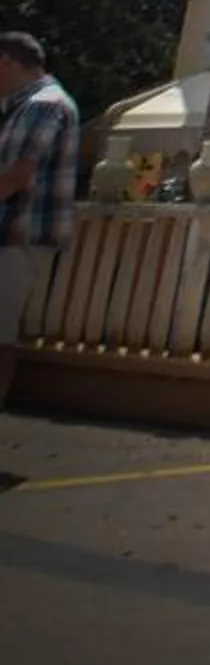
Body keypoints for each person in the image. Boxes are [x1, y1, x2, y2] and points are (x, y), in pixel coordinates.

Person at [0, 31, 83, 410]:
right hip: (18, 233)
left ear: (7, 62)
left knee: (1, 335)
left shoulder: (42, 105)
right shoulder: (25, 105)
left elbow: (17, 175)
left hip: (19, 234)